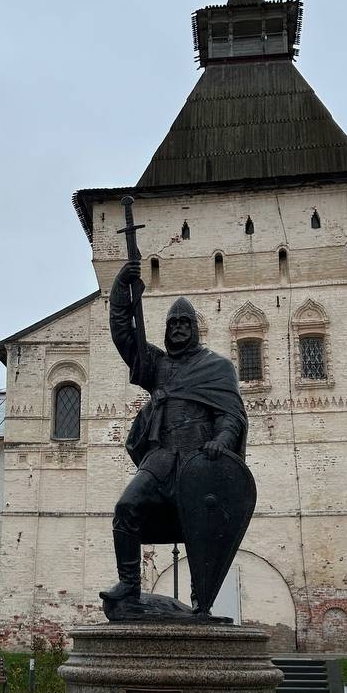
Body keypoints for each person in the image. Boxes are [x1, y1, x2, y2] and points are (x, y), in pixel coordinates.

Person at [107, 256, 248, 613]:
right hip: (162, 456)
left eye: (185, 323)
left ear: (195, 328)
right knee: (126, 507)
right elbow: (124, 334)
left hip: (200, 461)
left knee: (201, 529)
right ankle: (129, 585)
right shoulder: (157, 364)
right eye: (173, 323)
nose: (178, 328)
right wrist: (121, 289)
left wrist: (222, 441)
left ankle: (202, 600)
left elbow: (230, 415)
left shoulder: (217, 367)